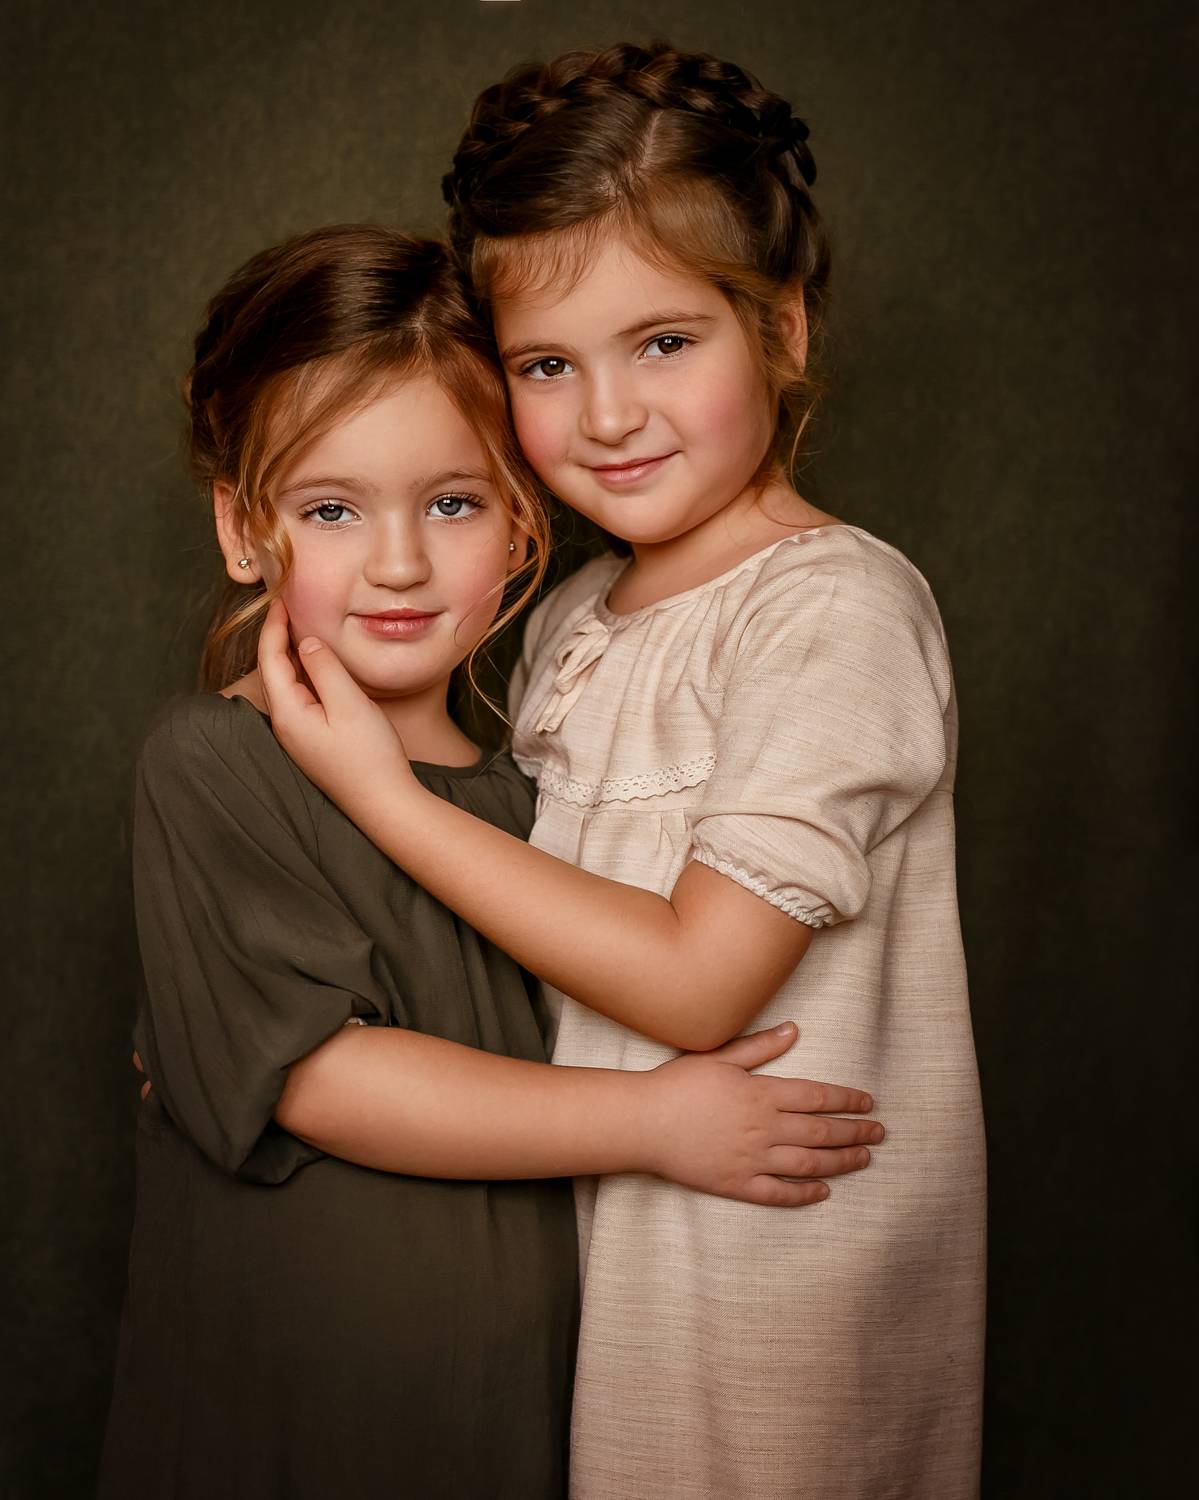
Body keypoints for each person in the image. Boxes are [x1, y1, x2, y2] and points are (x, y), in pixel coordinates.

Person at [257, 39, 985, 1499]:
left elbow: (699, 984)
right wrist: (235, 1013)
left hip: (776, 1266)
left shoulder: (832, 608)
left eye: (662, 342)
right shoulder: (575, 615)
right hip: (602, 1248)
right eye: (547, 364)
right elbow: (524, 925)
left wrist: (375, 794)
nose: (604, 414)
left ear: (780, 328)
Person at [99, 223, 883, 1500]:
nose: (398, 563)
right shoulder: (213, 764)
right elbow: (319, 1080)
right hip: (297, 1409)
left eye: (451, 503)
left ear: (521, 521)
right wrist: (653, 1124)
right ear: (243, 529)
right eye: (331, 510)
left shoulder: (545, 793)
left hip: (518, 1404)